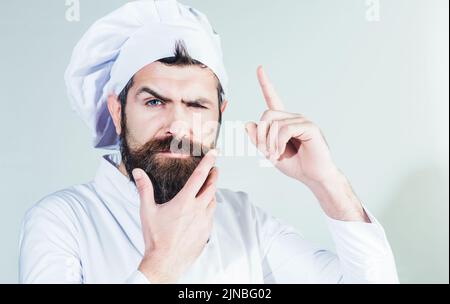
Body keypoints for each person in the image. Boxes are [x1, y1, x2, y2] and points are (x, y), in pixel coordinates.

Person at [19, 0, 398, 284]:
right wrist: (162, 262)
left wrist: (326, 182)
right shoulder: (61, 220)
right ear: (117, 110)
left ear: (220, 112)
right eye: (154, 101)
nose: (178, 125)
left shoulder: (242, 218)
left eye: (197, 105)